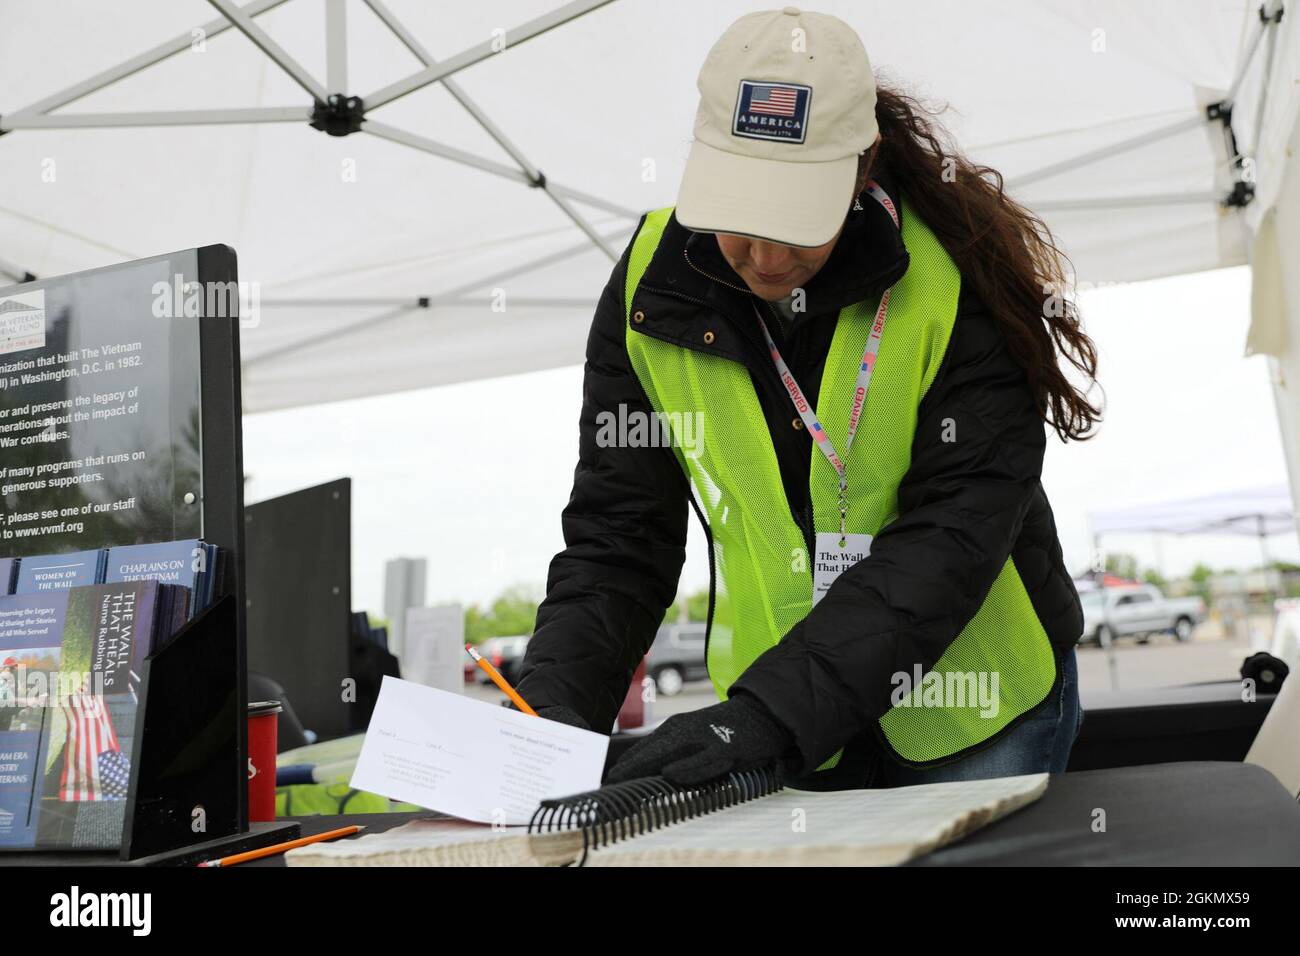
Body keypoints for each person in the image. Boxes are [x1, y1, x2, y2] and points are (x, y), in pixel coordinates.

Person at [514, 7, 1099, 790]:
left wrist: (769, 717)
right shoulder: (648, 288)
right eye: (740, 218)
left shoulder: (957, 277)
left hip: (972, 710)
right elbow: (620, 535)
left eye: (796, 224)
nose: (764, 257)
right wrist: (553, 716)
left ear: (862, 172)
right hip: (783, 717)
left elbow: (954, 537)